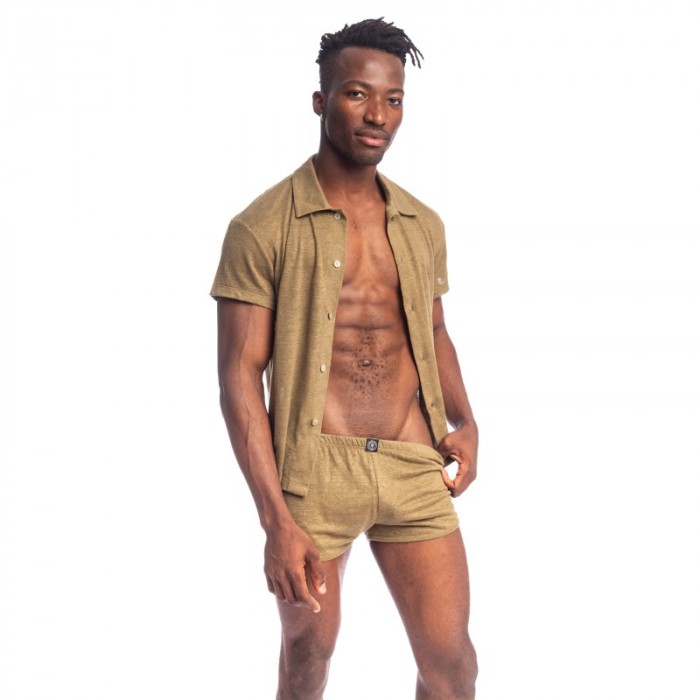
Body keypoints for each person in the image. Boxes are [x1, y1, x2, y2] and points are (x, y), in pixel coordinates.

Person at [211, 18, 479, 699]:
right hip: (315, 472)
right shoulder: (261, 227)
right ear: (321, 100)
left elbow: (434, 328)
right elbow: (239, 376)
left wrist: (465, 419)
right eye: (358, 94)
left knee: (452, 666)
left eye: (393, 100)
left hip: (412, 462)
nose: (378, 115)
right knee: (308, 653)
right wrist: (275, 520)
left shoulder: (422, 224)